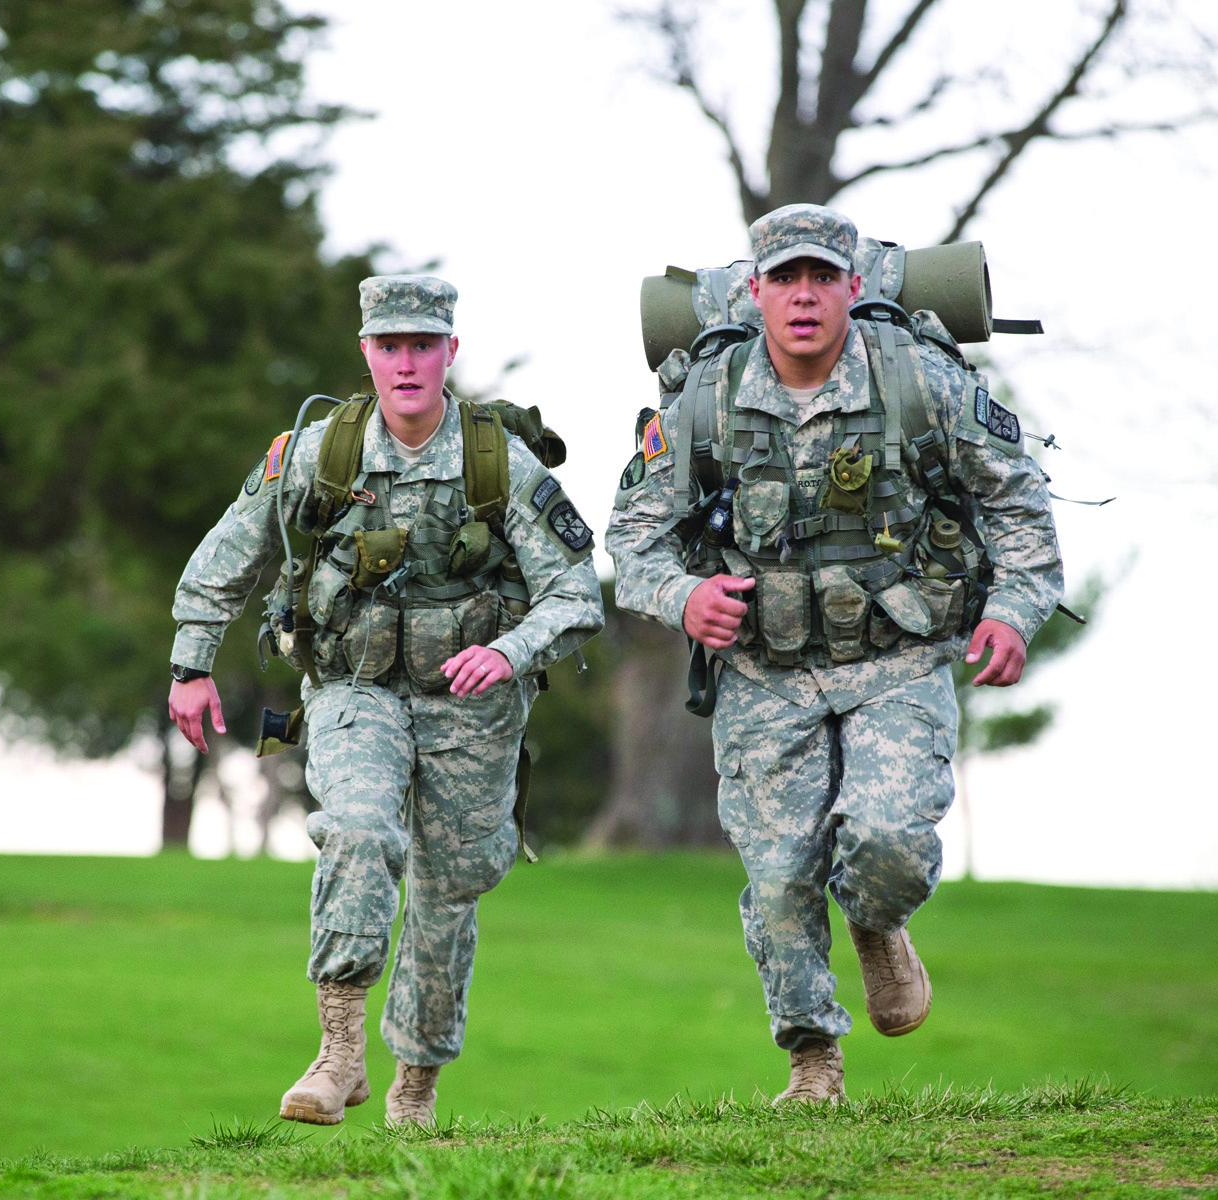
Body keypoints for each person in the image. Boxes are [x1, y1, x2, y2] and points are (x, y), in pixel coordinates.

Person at [606, 205, 1063, 1104]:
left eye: (822, 278)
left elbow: (1018, 503)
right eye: (785, 280)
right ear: (756, 291)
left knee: (887, 842)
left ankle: (879, 923)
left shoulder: (919, 383)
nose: (804, 296)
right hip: (765, 674)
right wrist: (683, 597)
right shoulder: (704, 400)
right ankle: (813, 1065)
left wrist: (1011, 612)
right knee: (779, 882)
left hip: (898, 659)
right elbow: (633, 538)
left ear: (855, 287)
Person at [167, 275, 605, 1127]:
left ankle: (416, 1087)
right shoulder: (316, 451)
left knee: (450, 891)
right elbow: (229, 550)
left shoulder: (497, 462)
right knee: (360, 830)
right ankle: (338, 1054)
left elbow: (576, 594)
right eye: (389, 345)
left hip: (471, 708)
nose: (407, 363)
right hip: (352, 689)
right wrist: (191, 663)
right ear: (365, 353)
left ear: (450, 350)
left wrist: (508, 652)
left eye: (423, 345)